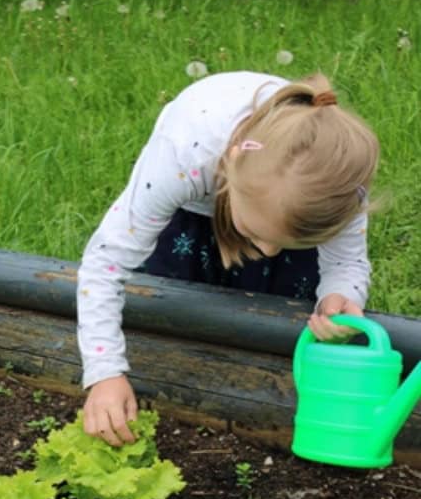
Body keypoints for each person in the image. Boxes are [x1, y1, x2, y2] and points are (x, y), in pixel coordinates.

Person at [76, 70, 379, 446]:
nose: (267, 252)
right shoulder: (186, 154)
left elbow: (346, 263)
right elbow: (105, 263)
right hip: (196, 202)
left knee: (284, 304)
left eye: (286, 242)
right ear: (232, 166)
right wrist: (105, 373)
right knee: (176, 299)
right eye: (255, 233)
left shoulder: (337, 189)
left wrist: (340, 296)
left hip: (266, 205)